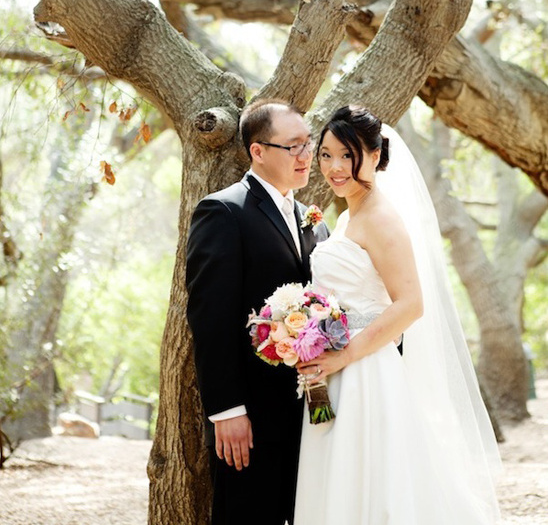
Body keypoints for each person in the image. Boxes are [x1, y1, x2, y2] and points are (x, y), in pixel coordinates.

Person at [294, 105, 501, 525]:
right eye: (327, 154)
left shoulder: (383, 218)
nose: (335, 167)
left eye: (347, 156)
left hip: (366, 373)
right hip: (333, 369)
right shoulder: (351, 214)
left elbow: (410, 304)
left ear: (374, 156)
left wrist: (345, 355)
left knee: (373, 482)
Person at [186, 99, 329, 525]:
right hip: (251, 414)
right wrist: (227, 411)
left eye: (309, 144)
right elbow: (210, 318)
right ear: (258, 151)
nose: (307, 157)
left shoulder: (313, 220)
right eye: (293, 147)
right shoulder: (223, 211)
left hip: (312, 408)